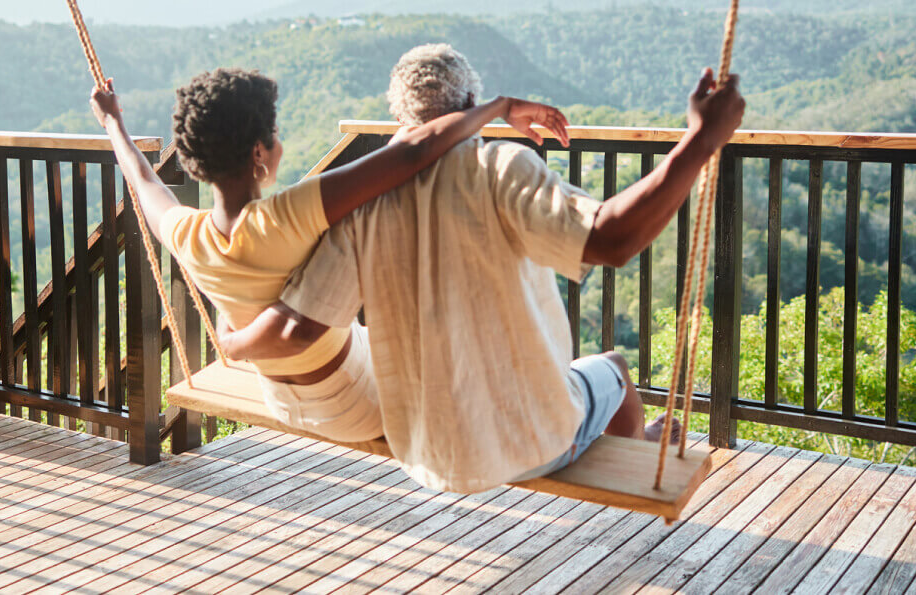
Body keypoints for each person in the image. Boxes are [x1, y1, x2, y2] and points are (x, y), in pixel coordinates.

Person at [216, 44, 745, 493]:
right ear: (471, 106)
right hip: (530, 443)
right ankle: (639, 449)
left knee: (585, 381)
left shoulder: (365, 202)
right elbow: (612, 239)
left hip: (428, 452)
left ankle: (622, 444)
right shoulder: (498, 169)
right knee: (615, 370)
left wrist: (232, 342)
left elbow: (297, 326)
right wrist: (701, 140)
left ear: (404, 120)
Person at [90, 66, 571, 444]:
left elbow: (144, 179)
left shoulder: (186, 233)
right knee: (373, 213)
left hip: (285, 399)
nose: (279, 142)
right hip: (357, 404)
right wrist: (499, 106)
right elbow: (408, 157)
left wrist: (114, 122)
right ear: (260, 152)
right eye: (274, 134)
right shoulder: (285, 216)